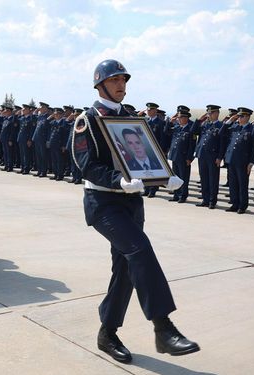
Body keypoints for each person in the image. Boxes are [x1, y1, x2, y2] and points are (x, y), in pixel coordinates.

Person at [71, 59, 197, 364]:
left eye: (124, 80)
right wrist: (118, 180)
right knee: (140, 250)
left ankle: (107, 333)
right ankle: (163, 327)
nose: (121, 86)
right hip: (103, 203)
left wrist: (165, 175)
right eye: (114, 81)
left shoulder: (130, 116)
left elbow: (146, 154)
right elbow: (85, 165)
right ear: (100, 84)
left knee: (126, 268)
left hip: (131, 202)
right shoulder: (86, 120)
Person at [220, 107, 254, 214]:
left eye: (242, 116)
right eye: (238, 116)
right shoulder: (234, 127)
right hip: (231, 160)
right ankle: (235, 203)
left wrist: (251, 163)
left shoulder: (251, 129)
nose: (239, 118)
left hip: (243, 162)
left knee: (242, 184)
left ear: (248, 117)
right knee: (233, 184)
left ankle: (242, 205)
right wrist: (230, 120)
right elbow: (221, 133)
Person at [191, 105, 224, 209]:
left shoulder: (220, 125)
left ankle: (212, 201)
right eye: (208, 113)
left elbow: (222, 143)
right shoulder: (205, 124)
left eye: (210, 113)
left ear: (216, 113)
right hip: (202, 155)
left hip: (213, 157)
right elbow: (193, 131)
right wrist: (199, 120)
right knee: (204, 178)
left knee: (213, 179)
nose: (208, 115)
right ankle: (205, 199)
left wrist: (219, 157)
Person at [165, 106, 195, 203]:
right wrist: (169, 122)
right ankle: (176, 194)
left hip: (184, 157)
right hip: (175, 156)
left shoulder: (190, 129)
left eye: (180, 118)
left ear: (185, 118)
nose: (178, 119)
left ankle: (183, 195)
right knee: (176, 177)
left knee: (184, 178)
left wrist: (189, 158)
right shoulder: (177, 128)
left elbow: (192, 145)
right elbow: (166, 131)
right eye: (178, 118)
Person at [32, 102, 51, 177]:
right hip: (37, 138)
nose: (40, 108)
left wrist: (48, 140)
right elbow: (33, 118)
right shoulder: (40, 116)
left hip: (43, 139)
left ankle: (43, 171)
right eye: (40, 107)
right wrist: (36, 111)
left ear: (46, 108)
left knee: (43, 156)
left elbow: (49, 130)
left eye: (42, 107)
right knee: (38, 156)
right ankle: (39, 170)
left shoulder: (48, 117)